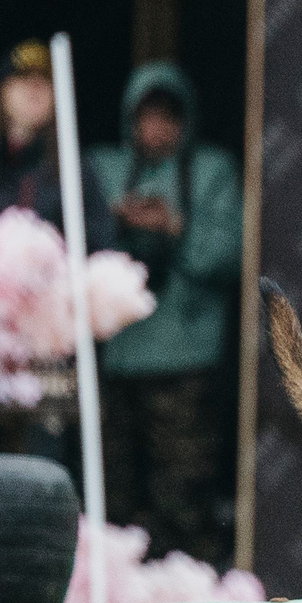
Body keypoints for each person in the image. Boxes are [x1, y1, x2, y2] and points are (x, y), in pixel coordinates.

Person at [90, 61, 242, 564]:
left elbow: (234, 253)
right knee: (114, 500)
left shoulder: (211, 171)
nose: (155, 129)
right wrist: (116, 228)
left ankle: (193, 592)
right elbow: (67, 241)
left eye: (167, 118)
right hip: (116, 357)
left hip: (185, 362)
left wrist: (173, 225)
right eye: (144, 117)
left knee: (184, 497)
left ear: (186, 121)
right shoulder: (104, 170)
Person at [0, 39, 114, 248]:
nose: (35, 86)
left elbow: (101, 243)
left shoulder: (75, 169)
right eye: (22, 76)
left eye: (45, 79)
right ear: (1, 92)